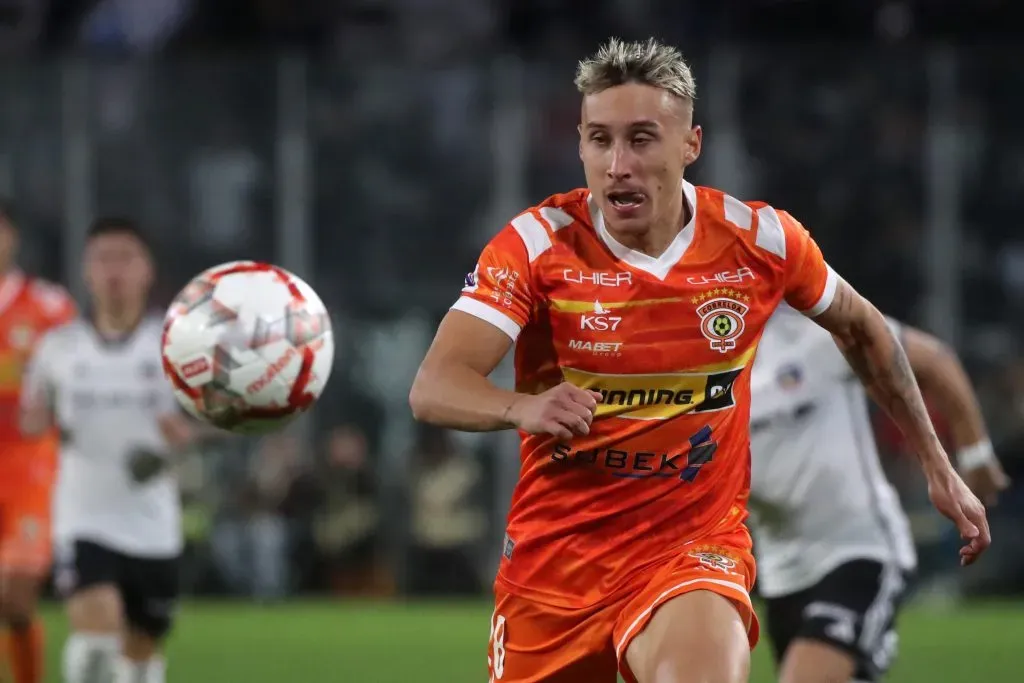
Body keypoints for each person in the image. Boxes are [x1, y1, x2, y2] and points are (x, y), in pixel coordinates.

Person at [408, 37, 990, 683]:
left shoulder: (760, 241)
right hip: (553, 574)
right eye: (599, 139)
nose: (617, 164)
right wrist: (524, 404)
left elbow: (864, 329)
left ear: (691, 144)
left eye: (642, 138)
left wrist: (939, 466)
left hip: (690, 553)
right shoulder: (536, 245)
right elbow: (436, 385)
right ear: (579, 143)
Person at [748, 305, 1009, 683]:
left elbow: (934, 360)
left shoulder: (816, 331)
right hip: (782, 572)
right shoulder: (704, 362)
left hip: (859, 552)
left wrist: (976, 454)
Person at [20, 217, 196, 683]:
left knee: (141, 655)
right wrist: (38, 420)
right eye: (103, 258)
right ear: (85, 271)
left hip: (152, 519)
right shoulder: (57, 349)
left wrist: (188, 435)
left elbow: (214, 424)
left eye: (125, 257)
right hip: (83, 517)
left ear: (148, 270)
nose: (113, 270)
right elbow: (29, 419)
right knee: (97, 639)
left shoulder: (177, 349)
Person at [0, 202, 77, 683]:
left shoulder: (48, 308)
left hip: (30, 466)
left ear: (13, 238)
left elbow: (76, 380)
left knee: (15, 593)